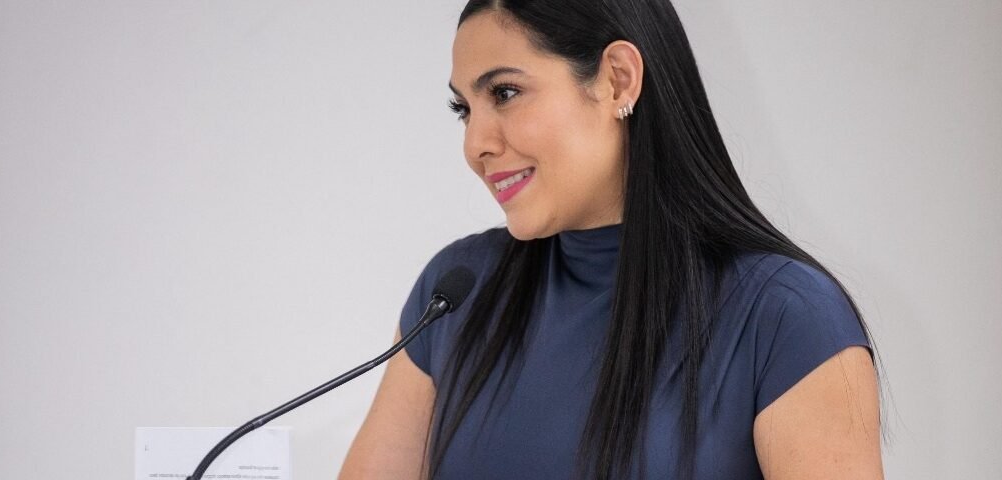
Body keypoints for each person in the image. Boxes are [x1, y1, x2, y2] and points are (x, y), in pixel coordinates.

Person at [340, 1, 885, 479]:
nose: (475, 144)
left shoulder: (786, 317)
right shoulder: (454, 295)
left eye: (505, 93)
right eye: (464, 109)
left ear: (618, 80)